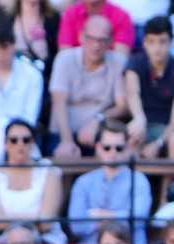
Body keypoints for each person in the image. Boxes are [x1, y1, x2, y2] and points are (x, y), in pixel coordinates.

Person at [50, 15, 128, 159]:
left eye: (102, 40)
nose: (96, 45)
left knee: (113, 149)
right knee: (63, 154)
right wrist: (67, 141)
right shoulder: (64, 59)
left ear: (110, 41)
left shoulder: (118, 61)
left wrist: (97, 121)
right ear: (81, 37)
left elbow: (122, 106)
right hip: (63, 131)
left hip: (99, 133)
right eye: (91, 39)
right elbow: (59, 103)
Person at [0, 117, 65, 244]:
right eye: (14, 140)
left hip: (43, 240)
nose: (20, 145)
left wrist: (9, 219)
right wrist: (34, 218)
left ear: (33, 143)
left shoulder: (49, 171)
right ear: (5, 144)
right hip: (1, 241)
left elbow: (46, 223)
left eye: (26, 140)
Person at [68, 119, 151, 244]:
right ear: (97, 148)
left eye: (119, 148)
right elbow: (76, 227)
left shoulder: (139, 180)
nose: (113, 153)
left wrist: (101, 216)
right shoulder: (83, 182)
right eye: (107, 148)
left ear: (127, 148)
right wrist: (120, 217)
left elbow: (139, 220)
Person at [124, 16, 174, 155]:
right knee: (134, 133)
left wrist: (159, 143)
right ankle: (132, 170)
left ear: (171, 42)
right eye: (151, 41)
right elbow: (132, 93)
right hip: (142, 125)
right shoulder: (136, 62)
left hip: (166, 129)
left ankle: (169, 172)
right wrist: (139, 118)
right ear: (144, 42)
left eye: (162, 41)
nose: (157, 48)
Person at [4, 0, 59, 74]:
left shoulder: (53, 19)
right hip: (16, 74)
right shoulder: (7, 19)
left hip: (45, 74)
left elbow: (58, 55)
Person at [59, 0, 134, 53]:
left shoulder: (121, 16)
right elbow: (65, 54)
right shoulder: (70, 14)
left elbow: (120, 57)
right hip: (77, 67)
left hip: (109, 69)